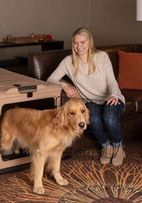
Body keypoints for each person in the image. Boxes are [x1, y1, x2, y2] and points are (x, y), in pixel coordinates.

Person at [47, 27, 126, 166]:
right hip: (90, 101)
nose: (79, 46)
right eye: (76, 43)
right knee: (93, 120)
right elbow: (50, 79)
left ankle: (119, 148)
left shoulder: (101, 57)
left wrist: (114, 95)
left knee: (109, 119)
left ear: (89, 43)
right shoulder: (68, 61)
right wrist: (64, 86)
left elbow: (112, 82)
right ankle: (107, 147)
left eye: (82, 42)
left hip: (111, 98)